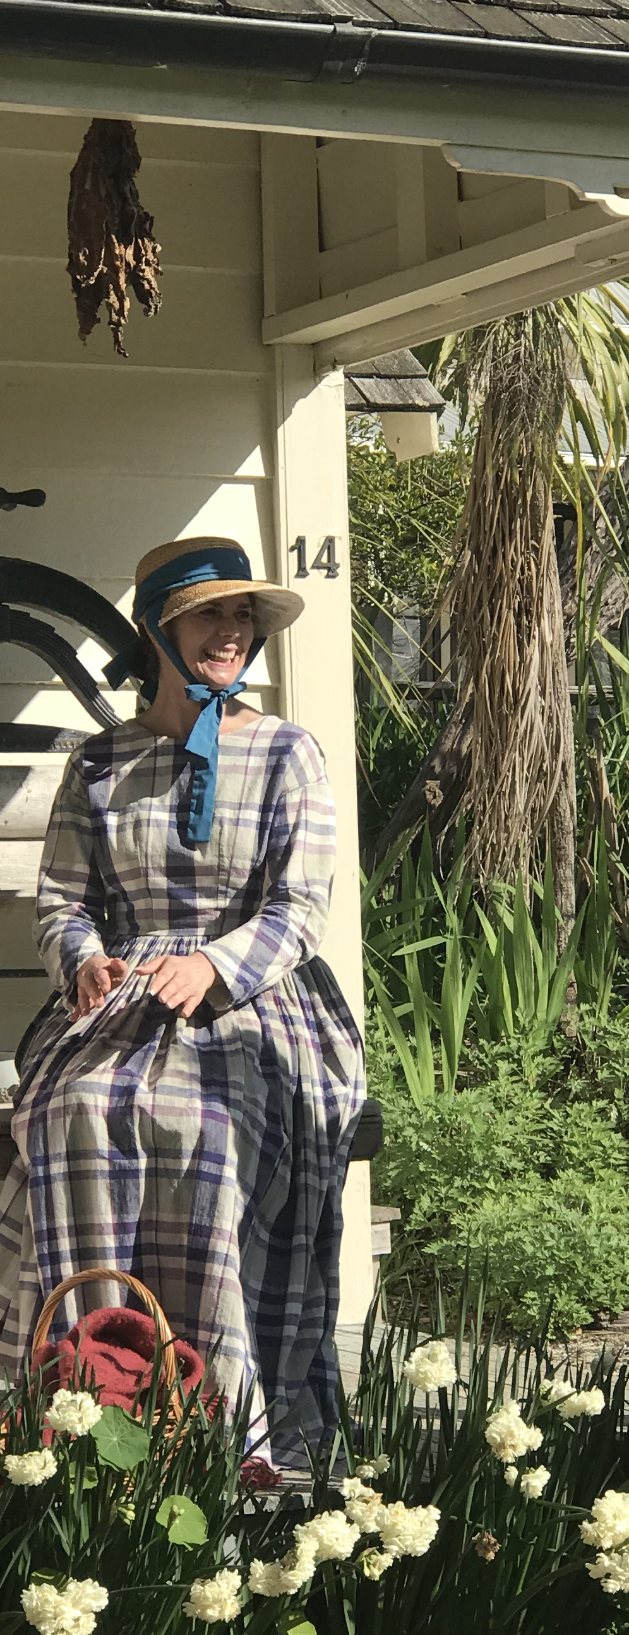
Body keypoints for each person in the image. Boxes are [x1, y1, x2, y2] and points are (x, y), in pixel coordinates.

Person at [0, 537, 365, 1457]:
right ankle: (87, 1401)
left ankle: (223, 1420)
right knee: (76, 1113)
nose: (231, 632)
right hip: (119, 1004)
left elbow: (299, 906)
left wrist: (214, 969)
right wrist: (81, 957)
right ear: (162, 630)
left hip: (255, 1000)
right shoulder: (101, 761)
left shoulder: (288, 752)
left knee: (206, 1127)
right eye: (210, 613)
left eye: (242, 616)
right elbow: (65, 901)